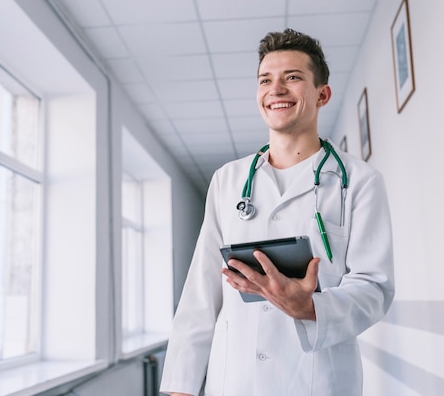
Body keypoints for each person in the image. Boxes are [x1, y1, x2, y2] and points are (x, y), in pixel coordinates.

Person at [159, 28, 395, 396]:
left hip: (318, 381)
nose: (276, 89)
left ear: (322, 94)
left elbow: (374, 288)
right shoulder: (228, 181)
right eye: (265, 80)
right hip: (235, 381)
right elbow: (201, 294)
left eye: (293, 77)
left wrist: (312, 307)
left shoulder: (360, 181)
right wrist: (181, 388)